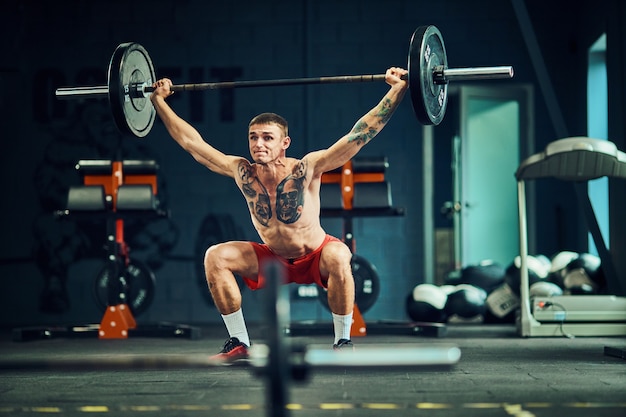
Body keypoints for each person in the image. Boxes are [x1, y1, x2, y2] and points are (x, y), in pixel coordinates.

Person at [150, 67, 408, 361]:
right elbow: (192, 144)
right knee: (215, 256)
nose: (259, 144)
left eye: (267, 138)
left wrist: (396, 90)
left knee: (339, 255)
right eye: (253, 137)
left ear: (284, 143)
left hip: (315, 255)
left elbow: (360, 134)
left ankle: (343, 343)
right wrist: (160, 102)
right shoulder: (242, 171)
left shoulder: (306, 168)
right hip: (272, 257)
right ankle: (239, 343)